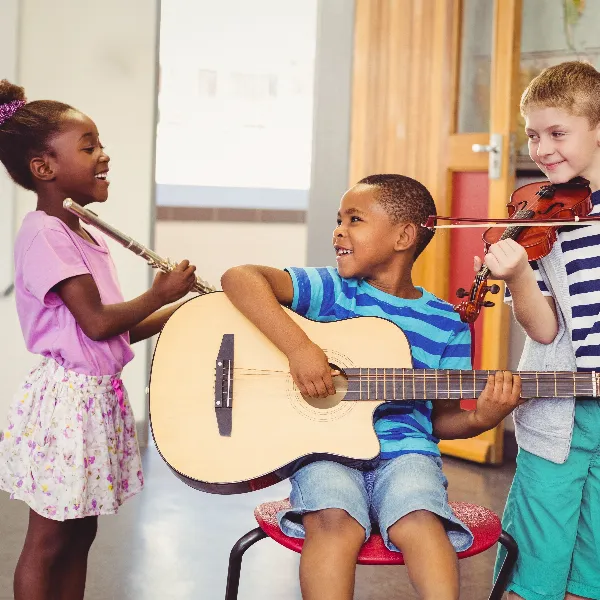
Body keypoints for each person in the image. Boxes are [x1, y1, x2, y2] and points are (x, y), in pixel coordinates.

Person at [221, 173, 522, 600]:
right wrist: (300, 348)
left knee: (420, 519)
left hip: (406, 451)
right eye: (339, 219)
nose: (339, 230)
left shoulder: (446, 322)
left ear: (403, 236)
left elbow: (442, 420)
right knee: (332, 520)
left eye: (355, 219)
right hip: (325, 449)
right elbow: (240, 277)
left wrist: (483, 417)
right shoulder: (332, 291)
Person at [0, 79, 197, 600]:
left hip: (95, 396)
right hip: (67, 402)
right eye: (88, 146)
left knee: (80, 532)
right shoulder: (46, 232)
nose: (103, 155)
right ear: (44, 167)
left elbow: (120, 326)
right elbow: (97, 323)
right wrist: (160, 292)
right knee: (47, 540)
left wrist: (186, 307)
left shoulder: (81, 231)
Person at [476, 61, 600, 600]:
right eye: (533, 134)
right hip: (561, 407)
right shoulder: (546, 221)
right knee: (536, 556)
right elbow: (544, 329)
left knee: (592, 566)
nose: (543, 149)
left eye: (558, 133)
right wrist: (520, 274)